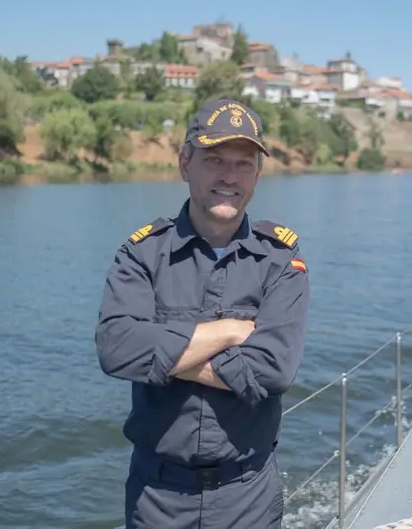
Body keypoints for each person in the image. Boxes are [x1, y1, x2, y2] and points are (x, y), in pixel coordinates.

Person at [94, 98, 311, 529]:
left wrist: (164, 349)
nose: (229, 176)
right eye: (214, 160)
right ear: (184, 164)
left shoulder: (281, 260)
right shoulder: (142, 254)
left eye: (243, 163)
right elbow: (117, 349)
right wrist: (229, 332)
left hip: (248, 499)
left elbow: (273, 370)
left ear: (258, 174)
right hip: (156, 499)